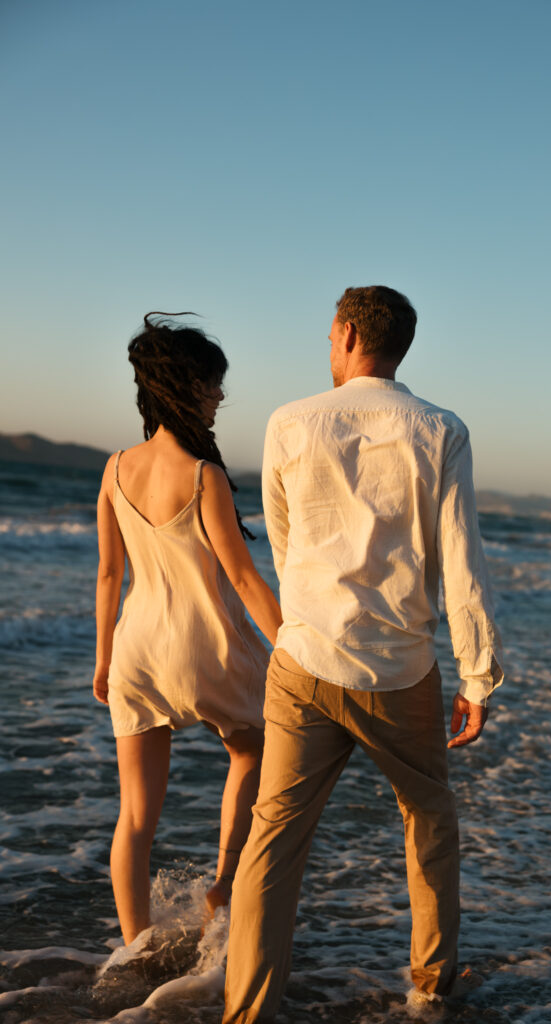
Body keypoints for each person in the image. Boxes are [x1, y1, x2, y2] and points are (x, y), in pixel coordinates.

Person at [223, 286, 503, 1022]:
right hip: (399, 668)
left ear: (347, 334)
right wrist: (478, 677)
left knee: (273, 838)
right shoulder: (442, 429)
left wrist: (308, 620)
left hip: (304, 660)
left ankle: (246, 1010)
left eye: (328, 335)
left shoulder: (289, 421)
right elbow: (461, 561)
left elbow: (283, 547)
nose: (327, 345)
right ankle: (430, 983)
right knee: (428, 819)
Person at [93, 312, 282, 945]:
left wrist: (102, 661)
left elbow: (107, 577)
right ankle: (224, 881)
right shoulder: (205, 475)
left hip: (137, 651)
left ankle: (135, 946)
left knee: (135, 819)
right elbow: (247, 580)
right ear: (185, 385)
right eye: (213, 384)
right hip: (207, 649)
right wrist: (295, 646)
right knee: (252, 747)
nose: (221, 396)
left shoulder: (115, 468)